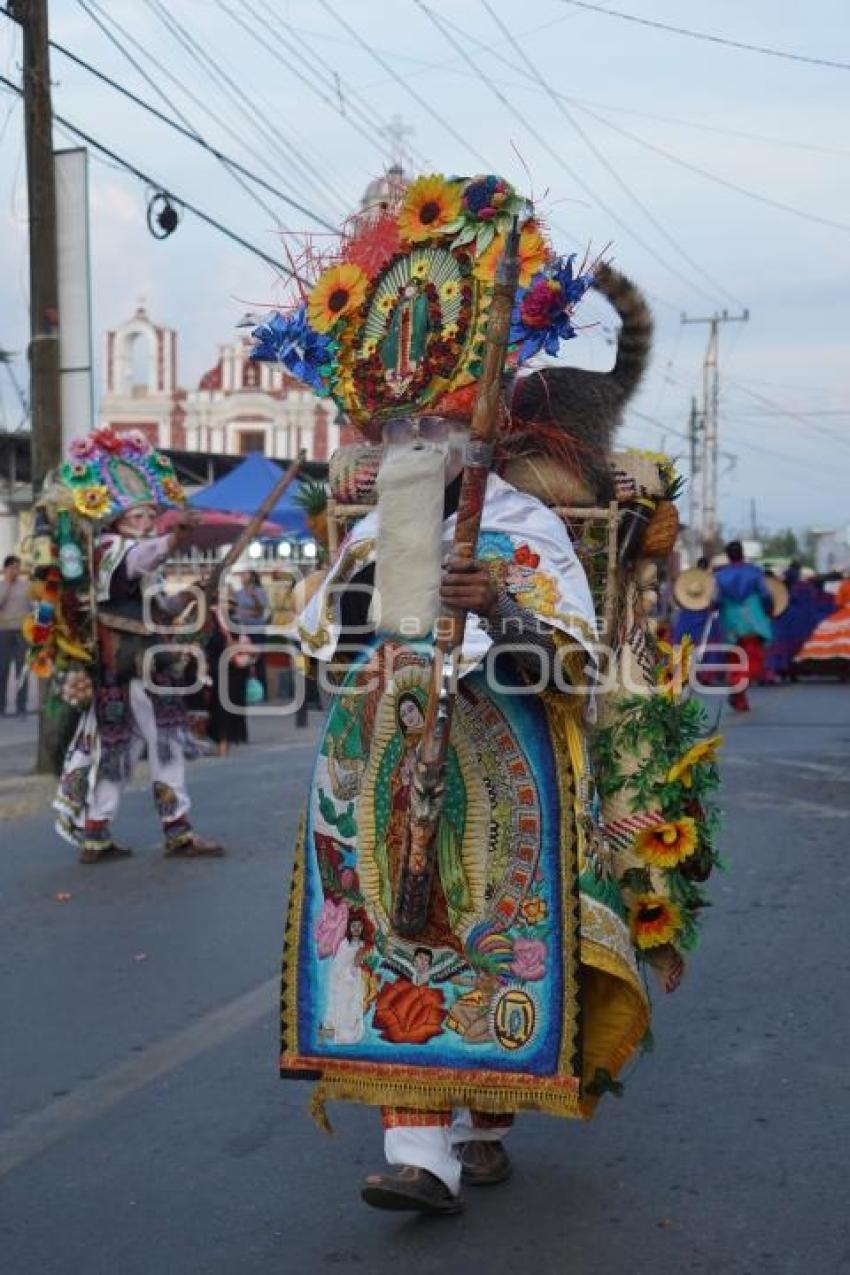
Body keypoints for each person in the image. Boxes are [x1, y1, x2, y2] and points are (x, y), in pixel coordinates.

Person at [255, 171, 722, 1216]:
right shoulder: (385, 518)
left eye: (432, 416)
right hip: (380, 765)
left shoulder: (529, 523)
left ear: (476, 417)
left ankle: (481, 1118)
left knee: (486, 935)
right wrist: (375, 593)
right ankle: (418, 1147)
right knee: (390, 931)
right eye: (401, 421)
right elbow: (317, 637)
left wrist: (500, 610)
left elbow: (571, 664)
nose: (414, 435)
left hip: (502, 765)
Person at [42, 428, 225, 863]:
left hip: (133, 663)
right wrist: (172, 540)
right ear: (116, 517)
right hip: (131, 665)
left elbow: (157, 604)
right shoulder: (111, 547)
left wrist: (195, 593)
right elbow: (140, 561)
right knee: (163, 741)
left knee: (119, 749)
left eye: (149, 515)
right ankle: (176, 828)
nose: (146, 522)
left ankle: (96, 832)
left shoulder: (130, 551)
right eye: (138, 516)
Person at [714, 540, 773, 712]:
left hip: (731, 621)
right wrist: (769, 610)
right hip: (753, 620)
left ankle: (739, 695)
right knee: (753, 658)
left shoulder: (720, 576)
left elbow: (715, 600)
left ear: (728, 556)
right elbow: (765, 594)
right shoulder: (754, 572)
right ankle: (738, 691)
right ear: (742, 553)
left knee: (735, 659)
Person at [764, 562, 822, 683]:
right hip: (805, 621)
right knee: (796, 647)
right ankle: (793, 671)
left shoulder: (784, 591)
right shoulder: (806, 588)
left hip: (787, 620)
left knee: (783, 645)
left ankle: (780, 670)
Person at [794, 576, 850, 679]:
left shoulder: (845, 584)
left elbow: (838, 603)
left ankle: (843, 671)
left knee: (837, 645)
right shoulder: (844, 584)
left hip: (844, 614)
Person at [0, 554, 30, 715]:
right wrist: (8, 585)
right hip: (4, 633)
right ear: (5, 569)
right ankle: (1, 706)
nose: (15, 570)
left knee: (22, 670)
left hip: (22, 633)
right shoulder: (1, 586)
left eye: (17, 567)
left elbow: (34, 606)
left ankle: (21, 706)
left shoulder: (26, 586)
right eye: (11, 567)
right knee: (2, 670)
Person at [233, 569, 269, 695]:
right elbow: (236, 612)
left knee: (259, 660)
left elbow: (259, 612)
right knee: (244, 658)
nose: (242, 577)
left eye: (245, 574)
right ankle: (246, 691)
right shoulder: (238, 593)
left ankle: (262, 691)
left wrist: (254, 600)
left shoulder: (260, 592)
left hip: (257, 630)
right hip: (244, 631)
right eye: (241, 575)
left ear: (252, 577)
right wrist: (249, 613)